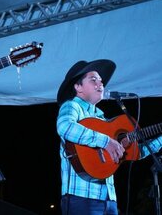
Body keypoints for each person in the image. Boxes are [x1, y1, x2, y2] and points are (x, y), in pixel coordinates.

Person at [56, 59, 162, 215]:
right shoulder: (72, 106)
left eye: (101, 80)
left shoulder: (102, 119)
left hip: (109, 199)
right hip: (81, 196)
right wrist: (105, 141)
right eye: (93, 80)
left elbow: (136, 153)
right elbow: (65, 127)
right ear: (78, 87)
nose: (100, 84)